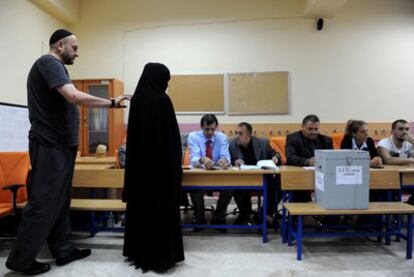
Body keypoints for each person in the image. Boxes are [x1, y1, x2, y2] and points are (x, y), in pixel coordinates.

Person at [6, 29, 130, 275]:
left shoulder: (57, 67)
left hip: (61, 144)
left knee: (60, 200)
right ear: (60, 44)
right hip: (50, 143)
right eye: (74, 48)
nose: (77, 53)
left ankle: (63, 250)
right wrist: (112, 103)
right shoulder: (48, 63)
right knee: (43, 201)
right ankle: (20, 260)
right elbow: (73, 96)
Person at [122, 63, 184, 272]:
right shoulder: (162, 100)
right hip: (161, 173)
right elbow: (173, 141)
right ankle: (161, 258)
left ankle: (138, 253)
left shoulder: (137, 101)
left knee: (141, 212)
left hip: (140, 172)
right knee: (161, 213)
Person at [229, 122, 281, 226]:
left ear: (249, 134)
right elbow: (228, 160)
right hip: (243, 179)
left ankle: (265, 213)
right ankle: (245, 214)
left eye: (240, 133)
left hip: (263, 179)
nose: (237, 136)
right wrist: (234, 162)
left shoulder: (263, 143)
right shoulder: (232, 144)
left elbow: (276, 154)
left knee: (276, 182)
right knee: (236, 188)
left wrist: (276, 158)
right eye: (236, 133)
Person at [187, 114, 232, 231]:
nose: (210, 132)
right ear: (201, 127)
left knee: (230, 188)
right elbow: (193, 158)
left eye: (213, 129)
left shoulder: (221, 137)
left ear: (216, 127)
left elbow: (226, 156)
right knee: (194, 188)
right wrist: (202, 159)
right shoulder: (193, 136)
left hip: (218, 175)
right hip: (200, 175)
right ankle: (200, 218)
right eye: (207, 129)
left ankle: (219, 217)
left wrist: (224, 160)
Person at [285, 114, 333, 202]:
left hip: (322, 174)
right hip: (300, 175)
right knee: (299, 183)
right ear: (302, 127)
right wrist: (307, 161)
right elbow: (290, 157)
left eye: (316, 129)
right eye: (310, 129)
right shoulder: (292, 138)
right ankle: (302, 214)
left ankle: (329, 213)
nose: (313, 132)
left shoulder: (326, 140)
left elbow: (331, 159)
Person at [341, 120, 384, 202]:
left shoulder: (369, 141)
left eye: (367, 131)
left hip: (367, 174)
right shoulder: (347, 141)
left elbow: (374, 156)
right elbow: (347, 161)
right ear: (354, 134)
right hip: (350, 174)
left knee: (377, 186)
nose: (366, 134)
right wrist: (368, 163)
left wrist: (378, 159)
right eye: (362, 131)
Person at [377, 119, 414, 204]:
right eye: (401, 129)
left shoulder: (409, 144)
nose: (405, 132)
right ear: (393, 131)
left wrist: (413, 142)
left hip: (406, 177)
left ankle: (407, 209)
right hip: (387, 178)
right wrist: (411, 160)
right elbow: (388, 160)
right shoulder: (384, 143)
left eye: (407, 129)